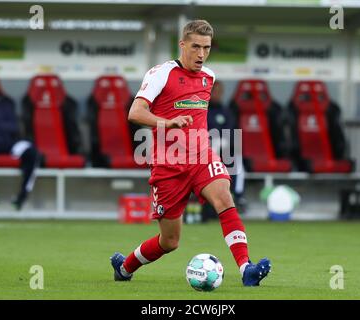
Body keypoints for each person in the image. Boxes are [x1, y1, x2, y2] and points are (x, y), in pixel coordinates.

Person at [110, 20, 271, 286]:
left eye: (206, 48)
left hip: (201, 156)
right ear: (182, 44)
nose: (201, 54)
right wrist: (168, 122)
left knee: (224, 198)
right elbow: (135, 113)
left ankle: (246, 270)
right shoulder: (161, 73)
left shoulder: (209, 76)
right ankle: (125, 268)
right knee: (170, 241)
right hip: (168, 164)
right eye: (195, 47)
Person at [0, 74, 41, 210]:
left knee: (31, 151)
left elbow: (13, 127)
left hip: (7, 142)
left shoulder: (7, 102)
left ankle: (22, 196)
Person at [201, 80, 247, 222]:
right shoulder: (201, 110)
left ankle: (237, 197)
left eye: (220, 92)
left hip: (223, 150)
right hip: (202, 150)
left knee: (237, 160)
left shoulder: (226, 112)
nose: (217, 94)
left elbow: (233, 133)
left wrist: (222, 143)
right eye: (215, 91)